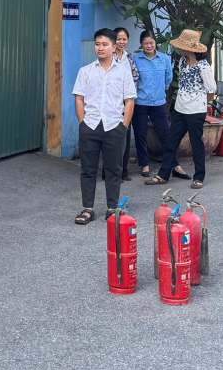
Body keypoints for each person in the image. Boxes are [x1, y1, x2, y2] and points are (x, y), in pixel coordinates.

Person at [72, 28, 136, 224]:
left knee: (114, 169)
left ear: (113, 47)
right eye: (97, 44)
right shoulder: (85, 71)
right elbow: (79, 99)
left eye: (105, 44)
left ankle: (112, 207)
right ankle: (87, 209)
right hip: (90, 126)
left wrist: (124, 126)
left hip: (114, 127)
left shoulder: (123, 72)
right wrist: (82, 123)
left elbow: (129, 101)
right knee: (88, 169)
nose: (100, 48)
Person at [147, 29, 216, 188]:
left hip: (196, 111)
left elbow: (211, 90)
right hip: (180, 109)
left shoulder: (203, 66)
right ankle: (163, 174)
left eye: (181, 46)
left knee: (196, 144)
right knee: (171, 142)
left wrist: (202, 104)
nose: (179, 49)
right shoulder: (182, 62)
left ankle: (199, 177)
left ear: (189, 48)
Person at [130, 30, 173, 178]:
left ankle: (173, 163)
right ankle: (144, 164)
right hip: (140, 102)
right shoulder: (136, 59)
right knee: (140, 134)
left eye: (151, 43)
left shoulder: (164, 59)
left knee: (166, 134)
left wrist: (160, 91)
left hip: (158, 102)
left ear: (155, 43)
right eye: (145, 43)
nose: (149, 46)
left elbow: (168, 79)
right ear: (141, 44)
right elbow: (133, 80)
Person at [110, 27, 139, 181]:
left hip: (126, 102)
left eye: (124, 39)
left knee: (125, 134)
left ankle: (124, 171)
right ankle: (111, 172)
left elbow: (135, 75)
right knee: (113, 137)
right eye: (118, 39)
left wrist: (130, 95)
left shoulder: (128, 56)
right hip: (112, 102)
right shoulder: (109, 55)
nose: (121, 42)